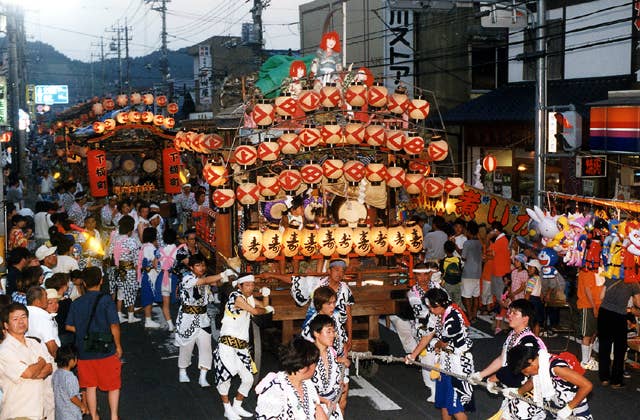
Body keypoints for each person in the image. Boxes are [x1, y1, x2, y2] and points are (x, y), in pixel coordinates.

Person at [469, 299, 546, 419]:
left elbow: (522, 370)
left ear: (525, 318)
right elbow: (502, 359)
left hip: (526, 394)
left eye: (515, 313)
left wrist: (496, 377)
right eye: (510, 312)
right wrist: (481, 375)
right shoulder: (512, 335)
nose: (509, 315)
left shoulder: (528, 342)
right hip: (513, 390)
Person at [66, 266, 122, 420]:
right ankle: (114, 416)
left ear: (83, 283)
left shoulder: (76, 303)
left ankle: (95, 416)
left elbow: (68, 326)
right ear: (101, 281)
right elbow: (114, 326)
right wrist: (118, 345)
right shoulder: (106, 300)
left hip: (84, 350)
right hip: (106, 348)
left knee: (90, 386)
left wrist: (83, 332)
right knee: (113, 385)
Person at [213, 274, 273, 419]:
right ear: (239, 286)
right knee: (225, 378)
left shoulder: (249, 298)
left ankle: (237, 406)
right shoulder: (235, 296)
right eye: (247, 285)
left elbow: (263, 306)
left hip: (241, 347)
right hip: (227, 344)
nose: (250, 287)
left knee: (248, 379)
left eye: (252, 285)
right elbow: (256, 311)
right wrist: (268, 308)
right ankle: (227, 409)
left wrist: (266, 296)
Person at [413, 288, 474, 420]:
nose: (430, 310)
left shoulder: (453, 316)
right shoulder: (437, 314)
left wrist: (436, 345)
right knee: (444, 403)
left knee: (455, 406)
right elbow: (428, 334)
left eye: (431, 307)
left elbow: (443, 342)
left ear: (439, 304)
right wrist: (413, 355)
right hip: (444, 361)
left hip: (458, 363)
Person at [175, 255, 233, 387]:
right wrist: (222, 274)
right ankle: (182, 371)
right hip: (187, 319)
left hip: (203, 319)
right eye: (198, 265)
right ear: (191, 267)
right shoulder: (187, 278)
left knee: (206, 347)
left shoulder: (204, 278)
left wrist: (226, 278)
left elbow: (215, 283)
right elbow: (205, 281)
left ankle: (203, 376)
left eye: (203, 265)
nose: (202, 268)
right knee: (186, 347)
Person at [507, 344, 593, 419]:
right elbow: (532, 381)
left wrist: (569, 408)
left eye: (525, 371)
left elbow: (587, 385)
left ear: (531, 362)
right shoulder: (540, 364)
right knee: (516, 405)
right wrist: (516, 392)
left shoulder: (556, 368)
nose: (526, 374)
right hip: (554, 403)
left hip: (574, 405)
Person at [0, 303, 55, 420]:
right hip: (19, 413)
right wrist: (41, 363)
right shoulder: (5, 350)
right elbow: (28, 373)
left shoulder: (34, 343)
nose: (21, 322)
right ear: (6, 325)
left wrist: (34, 370)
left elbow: (49, 368)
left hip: (41, 411)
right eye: (15, 319)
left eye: (24, 317)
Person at [255, 337, 328, 420]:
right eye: (315, 363)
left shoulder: (306, 383)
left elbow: (317, 408)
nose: (316, 366)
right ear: (303, 368)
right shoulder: (274, 393)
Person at [400, 262, 442, 403]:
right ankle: (433, 389)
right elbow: (423, 313)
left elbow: (447, 303)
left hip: (441, 327)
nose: (423, 277)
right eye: (419, 274)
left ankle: (442, 386)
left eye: (426, 274)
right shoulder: (413, 293)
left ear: (430, 274)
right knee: (427, 359)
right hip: (423, 329)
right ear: (415, 275)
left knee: (441, 357)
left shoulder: (437, 287)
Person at [598, 271, 640, 388]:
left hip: (604, 313)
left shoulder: (612, 275)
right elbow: (638, 302)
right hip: (619, 315)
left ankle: (604, 378)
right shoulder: (633, 282)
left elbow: (601, 296)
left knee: (604, 346)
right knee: (619, 349)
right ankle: (616, 381)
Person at [309, 314, 350, 419]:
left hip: (331, 405)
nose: (333, 335)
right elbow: (300, 386)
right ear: (316, 333)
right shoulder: (307, 357)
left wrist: (338, 384)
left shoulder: (331, 352)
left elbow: (332, 377)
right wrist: (323, 400)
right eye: (328, 331)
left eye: (333, 331)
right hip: (314, 408)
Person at [107, 215, 141, 324]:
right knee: (131, 291)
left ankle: (118, 315)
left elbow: (109, 254)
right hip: (128, 270)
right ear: (130, 229)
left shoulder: (114, 240)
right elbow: (136, 259)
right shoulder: (132, 242)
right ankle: (131, 316)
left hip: (116, 269)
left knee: (120, 293)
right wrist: (137, 272)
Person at [53, 343, 89, 420]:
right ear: (71, 361)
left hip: (60, 413)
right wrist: (82, 406)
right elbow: (73, 397)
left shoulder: (56, 374)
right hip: (71, 414)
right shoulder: (70, 377)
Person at [26, 285, 60, 357]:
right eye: (45, 297)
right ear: (38, 301)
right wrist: (59, 360)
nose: (47, 300)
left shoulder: (25, 312)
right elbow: (51, 345)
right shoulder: (42, 316)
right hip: (47, 358)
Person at [138, 227, 161, 329]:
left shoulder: (143, 246)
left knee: (147, 295)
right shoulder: (151, 248)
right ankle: (148, 320)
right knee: (149, 297)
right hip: (150, 275)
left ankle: (148, 319)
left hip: (144, 274)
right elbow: (155, 263)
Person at [461, 221, 482, 322]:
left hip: (468, 272)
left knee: (466, 296)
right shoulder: (479, 243)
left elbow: (463, 257)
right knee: (476, 296)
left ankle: (469, 315)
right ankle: (474, 315)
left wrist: (456, 248)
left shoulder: (467, 243)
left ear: (468, 231)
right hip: (478, 272)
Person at [488, 222, 511, 317]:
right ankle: (501, 316)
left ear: (495, 230)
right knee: (499, 296)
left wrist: (488, 238)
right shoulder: (500, 240)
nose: (490, 232)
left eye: (491, 230)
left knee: (501, 297)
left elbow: (490, 253)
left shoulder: (501, 240)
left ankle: (507, 315)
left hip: (500, 272)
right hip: (498, 271)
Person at [440, 240, 463, 307]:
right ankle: (458, 314)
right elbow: (460, 270)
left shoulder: (443, 260)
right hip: (457, 284)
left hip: (447, 284)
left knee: (448, 301)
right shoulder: (458, 259)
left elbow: (441, 271)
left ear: (445, 250)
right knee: (458, 301)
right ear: (454, 250)